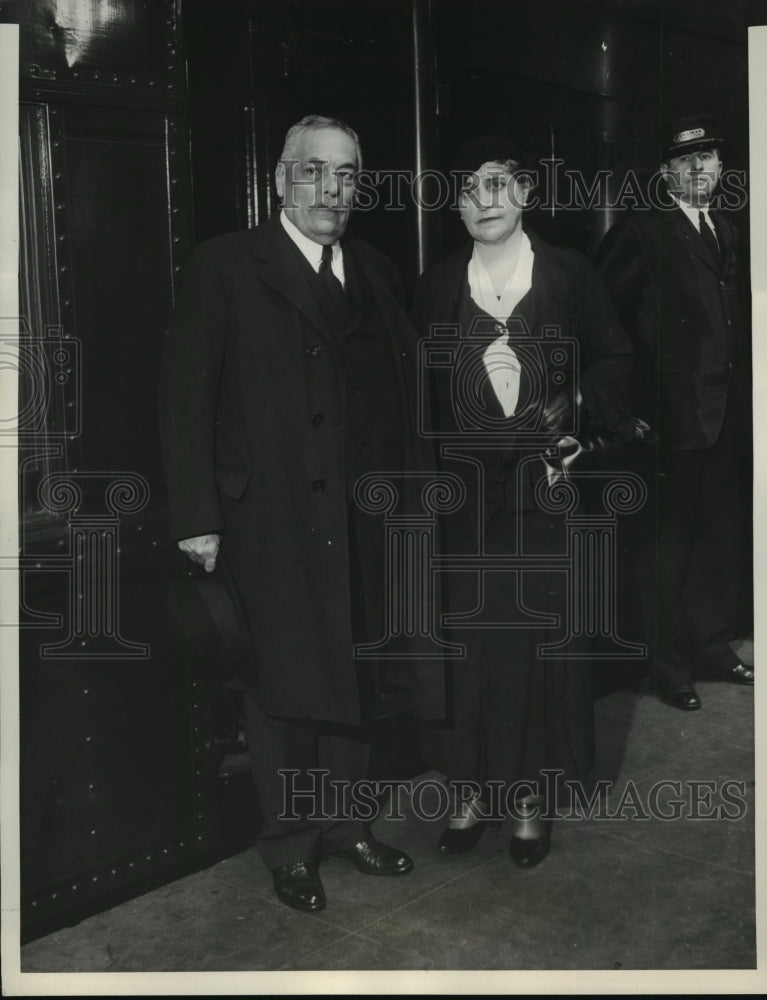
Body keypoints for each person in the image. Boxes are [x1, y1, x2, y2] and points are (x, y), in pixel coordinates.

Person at [159, 114, 444, 912]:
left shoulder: (379, 271)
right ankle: (289, 844)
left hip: (360, 518)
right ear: (283, 178)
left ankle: (347, 826)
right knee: (281, 685)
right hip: (269, 520)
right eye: (316, 171)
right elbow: (185, 400)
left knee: (350, 677)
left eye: (348, 175)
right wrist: (197, 518)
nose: (333, 189)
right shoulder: (225, 265)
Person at [411, 136, 636, 867]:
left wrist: (577, 409)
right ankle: (472, 793)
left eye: (500, 183)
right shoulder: (436, 284)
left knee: (540, 646)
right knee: (472, 647)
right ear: (456, 204)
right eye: (470, 187)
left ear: (526, 195)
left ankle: (533, 802)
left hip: (545, 492)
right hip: (467, 501)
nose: (485, 198)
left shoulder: (569, 274)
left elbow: (615, 358)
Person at [595, 114, 754, 711]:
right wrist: (631, 407)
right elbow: (602, 319)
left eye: (707, 158)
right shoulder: (642, 231)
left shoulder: (728, 229)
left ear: (719, 167)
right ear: (666, 174)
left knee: (719, 539)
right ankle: (669, 670)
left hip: (725, 418)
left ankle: (713, 649)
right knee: (668, 549)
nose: (698, 168)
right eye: (685, 161)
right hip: (672, 421)